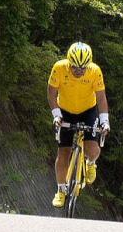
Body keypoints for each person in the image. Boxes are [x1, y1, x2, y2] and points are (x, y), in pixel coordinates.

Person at [47, 42, 110, 208]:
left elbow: (101, 98)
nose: (78, 71)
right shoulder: (59, 68)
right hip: (65, 111)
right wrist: (56, 116)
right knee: (63, 153)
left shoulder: (95, 71)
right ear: (69, 62)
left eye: (82, 68)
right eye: (74, 67)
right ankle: (61, 190)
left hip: (88, 111)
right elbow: (51, 93)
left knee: (91, 148)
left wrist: (104, 121)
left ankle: (90, 163)